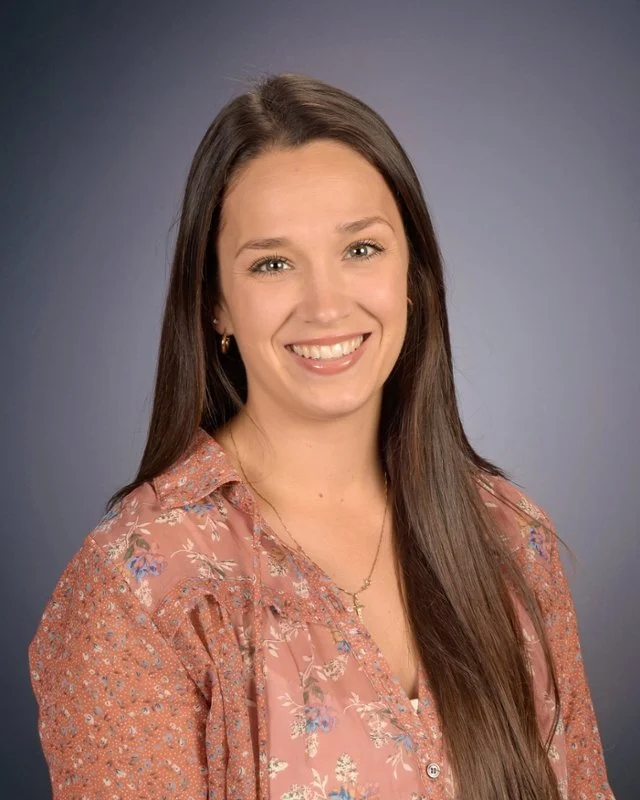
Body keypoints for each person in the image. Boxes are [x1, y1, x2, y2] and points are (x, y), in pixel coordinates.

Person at [28, 72, 615, 800]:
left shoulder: (509, 538)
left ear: (412, 276)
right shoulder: (141, 588)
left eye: (361, 250)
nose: (327, 303)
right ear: (215, 305)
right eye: (273, 263)